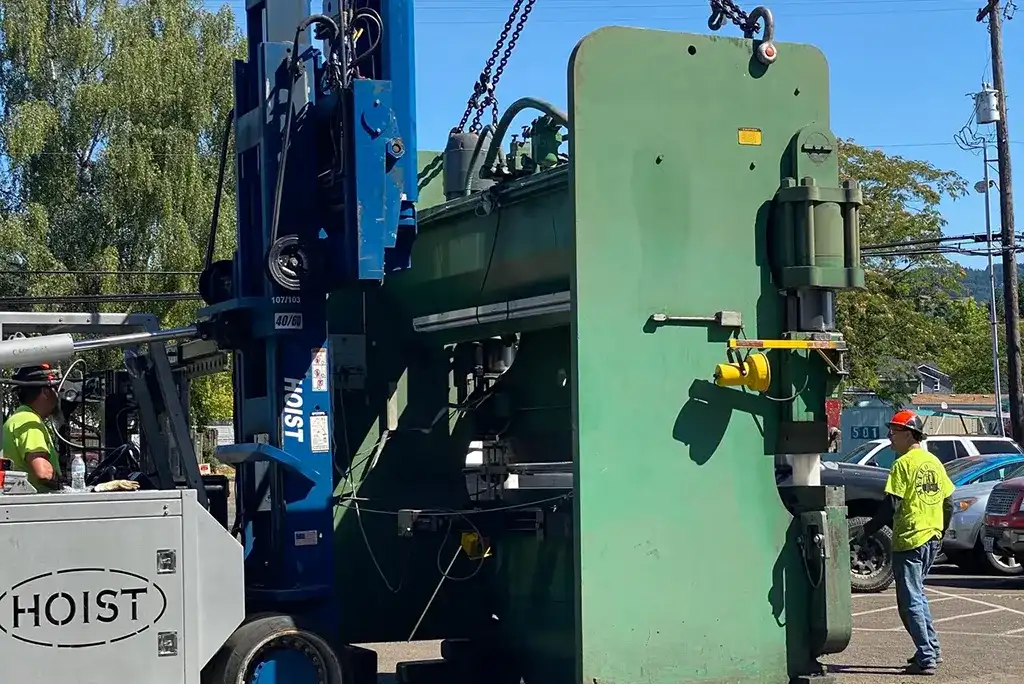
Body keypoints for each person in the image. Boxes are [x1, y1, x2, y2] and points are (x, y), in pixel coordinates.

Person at [858, 410, 954, 676]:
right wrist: (941, 531)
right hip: (931, 537)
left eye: (894, 432)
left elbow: (890, 505)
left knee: (909, 600)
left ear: (909, 434)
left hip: (910, 538)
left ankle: (926, 656)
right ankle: (931, 649)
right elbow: (949, 502)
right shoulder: (933, 462)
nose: (890, 437)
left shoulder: (902, 464)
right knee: (918, 595)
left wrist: (865, 530)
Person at [1, 364, 63, 492]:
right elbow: (43, 473)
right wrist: (65, 486)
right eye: (55, 389)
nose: (58, 395)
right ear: (46, 391)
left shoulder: (17, 418)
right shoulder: (29, 421)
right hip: (35, 508)